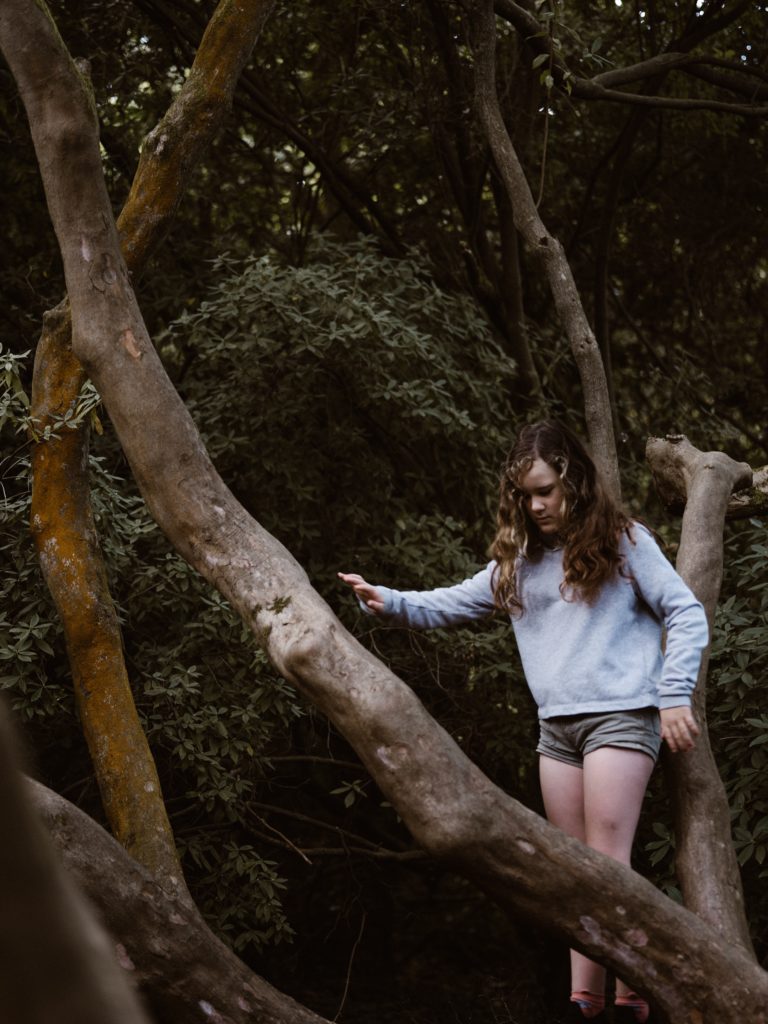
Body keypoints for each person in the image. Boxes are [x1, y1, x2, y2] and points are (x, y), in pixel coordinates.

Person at [339, 420, 708, 1024]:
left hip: (619, 713)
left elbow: (686, 613)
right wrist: (391, 600)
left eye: (545, 491)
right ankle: (585, 1002)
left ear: (574, 481)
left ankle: (636, 992)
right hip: (555, 730)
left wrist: (673, 696)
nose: (535, 505)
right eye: (525, 495)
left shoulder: (624, 540)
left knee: (607, 860)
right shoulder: (519, 562)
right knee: (569, 870)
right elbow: (453, 600)